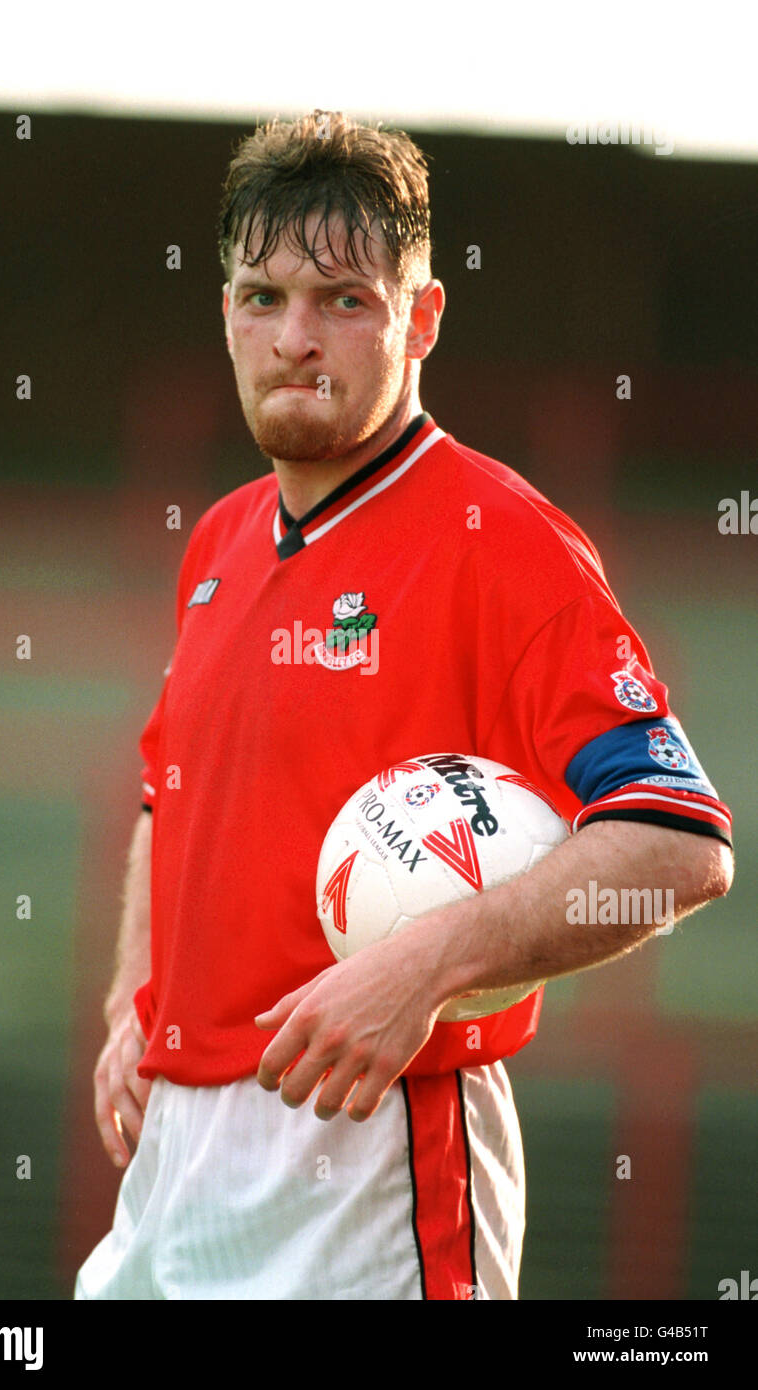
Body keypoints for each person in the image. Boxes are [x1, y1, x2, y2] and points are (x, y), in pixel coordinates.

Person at [74, 110, 734, 1301]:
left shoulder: (502, 540)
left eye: (343, 300)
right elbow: (162, 796)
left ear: (421, 317)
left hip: (375, 1156)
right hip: (171, 1160)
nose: (294, 339)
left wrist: (418, 966)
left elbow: (676, 841)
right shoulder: (219, 539)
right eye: (261, 297)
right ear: (222, 311)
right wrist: (135, 1001)